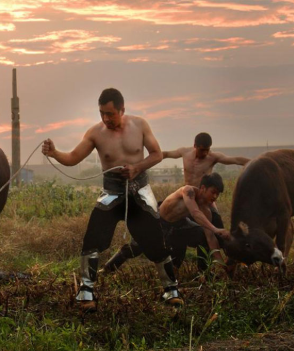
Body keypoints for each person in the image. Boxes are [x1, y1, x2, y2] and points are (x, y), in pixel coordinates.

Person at [42, 88, 181, 310]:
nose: (106, 118)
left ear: (121, 110)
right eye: (102, 113)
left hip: (139, 193)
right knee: (92, 239)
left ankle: (171, 290)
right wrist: (54, 153)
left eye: (110, 113)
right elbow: (73, 158)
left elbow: (157, 154)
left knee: (156, 242)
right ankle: (86, 291)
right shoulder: (95, 133)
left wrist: (137, 167)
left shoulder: (140, 125)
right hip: (111, 193)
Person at [102, 133, 248, 272]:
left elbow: (236, 160)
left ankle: (208, 269)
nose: (204, 153)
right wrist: (139, 165)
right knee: (137, 246)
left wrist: (255, 164)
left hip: (184, 218)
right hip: (169, 215)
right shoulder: (188, 188)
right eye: (202, 149)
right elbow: (164, 154)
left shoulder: (213, 160)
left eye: (207, 150)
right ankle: (108, 268)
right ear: (195, 146)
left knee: (206, 237)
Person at [156, 173, 231, 272]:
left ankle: (204, 271)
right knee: (142, 249)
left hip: (180, 225)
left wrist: (223, 265)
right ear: (203, 188)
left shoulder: (206, 210)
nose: (215, 197)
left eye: (217, 194)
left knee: (204, 237)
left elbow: (211, 238)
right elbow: (195, 213)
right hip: (160, 223)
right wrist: (215, 229)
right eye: (213, 192)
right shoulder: (188, 191)